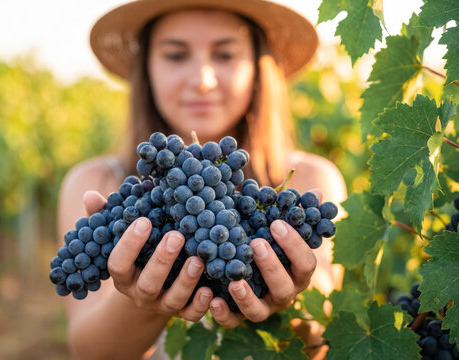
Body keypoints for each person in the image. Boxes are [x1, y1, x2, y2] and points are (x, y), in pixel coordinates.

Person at [57, 0, 347, 359]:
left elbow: (323, 343)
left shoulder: (308, 183)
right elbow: (89, 352)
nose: (203, 80)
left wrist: (291, 304)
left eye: (225, 55)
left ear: (258, 67)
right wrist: (143, 304)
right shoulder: (98, 182)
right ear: (146, 68)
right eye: (176, 56)